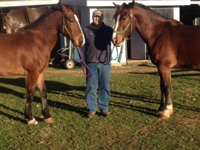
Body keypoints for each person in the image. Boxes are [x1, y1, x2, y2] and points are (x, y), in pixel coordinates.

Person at [83, 10, 113, 118]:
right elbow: (80, 42)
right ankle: (92, 109)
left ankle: (104, 108)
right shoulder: (86, 30)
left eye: (99, 17)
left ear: (102, 18)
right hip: (91, 63)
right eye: (95, 17)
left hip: (105, 63)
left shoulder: (109, 30)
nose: (97, 19)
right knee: (91, 87)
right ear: (92, 17)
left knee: (105, 86)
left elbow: (116, 41)